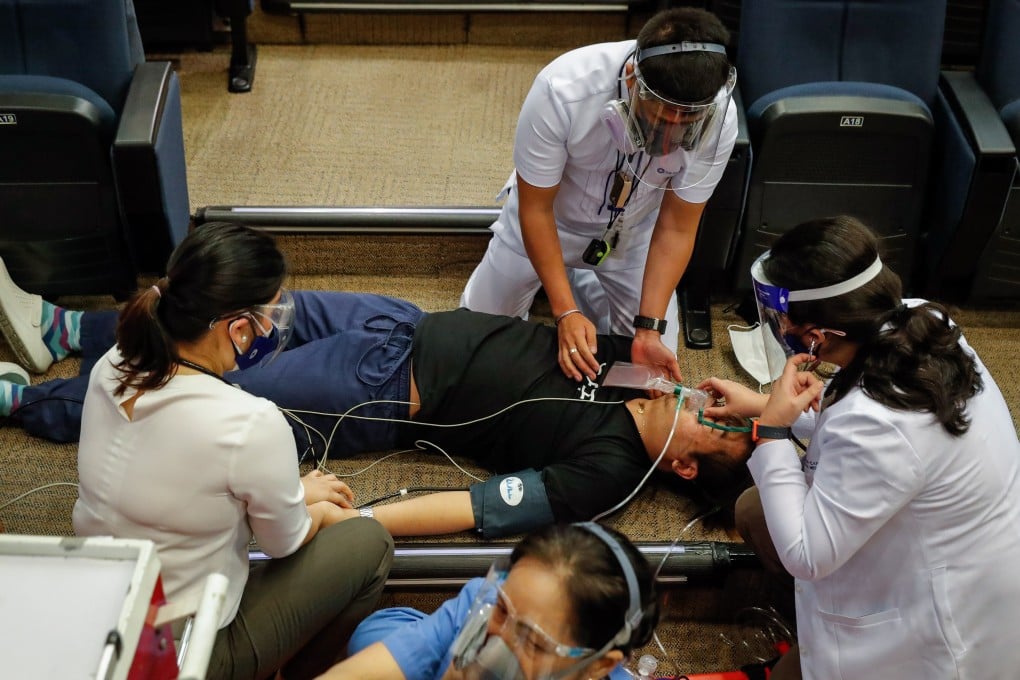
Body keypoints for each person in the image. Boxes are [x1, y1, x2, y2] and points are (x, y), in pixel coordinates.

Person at [0, 267, 752, 541]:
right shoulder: (644, 369)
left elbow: (476, 506)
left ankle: (31, 402)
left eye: (718, 427)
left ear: (684, 468)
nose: (712, 403)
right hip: (400, 320)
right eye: (726, 407)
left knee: (199, 386)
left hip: (383, 390)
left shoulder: (612, 470)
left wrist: (351, 521)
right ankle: (68, 329)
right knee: (225, 315)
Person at [31, 223, 394, 680]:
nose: (274, 324)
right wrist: (316, 511)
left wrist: (293, 490)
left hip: (98, 606)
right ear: (239, 328)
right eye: (270, 312)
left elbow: (183, 476)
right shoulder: (250, 422)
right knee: (368, 543)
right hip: (183, 651)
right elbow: (284, 543)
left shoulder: (114, 364)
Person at [699, 216, 1020, 680]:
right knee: (756, 509)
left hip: (942, 626)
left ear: (818, 335)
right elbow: (860, 415)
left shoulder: (879, 424)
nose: (780, 326)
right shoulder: (918, 317)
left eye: (785, 319)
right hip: (963, 546)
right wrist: (763, 403)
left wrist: (771, 431)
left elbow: (807, 556)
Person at [460, 7, 738, 386]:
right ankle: (571, 283)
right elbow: (536, 209)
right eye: (660, 116)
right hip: (546, 224)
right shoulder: (563, 88)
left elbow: (676, 228)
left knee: (647, 374)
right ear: (632, 79)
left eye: (686, 121)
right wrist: (564, 313)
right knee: (472, 344)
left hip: (634, 236)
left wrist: (648, 329)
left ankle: (583, 279)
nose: (670, 138)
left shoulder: (719, 116)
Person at [316, 522, 660, 680]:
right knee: (371, 637)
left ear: (597, 665)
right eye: (500, 609)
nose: (495, 641)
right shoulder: (481, 606)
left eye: (533, 641)